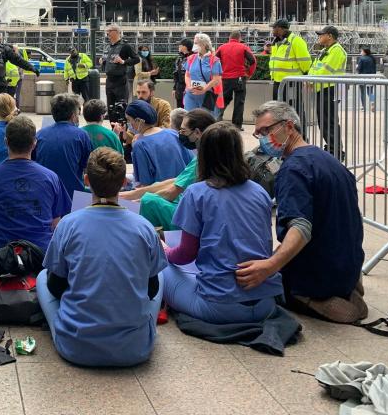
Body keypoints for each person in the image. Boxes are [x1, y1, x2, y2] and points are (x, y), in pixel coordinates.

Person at [237, 101, 366, 323]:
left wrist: (269, 267)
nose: (263, 139)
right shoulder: (330, 161)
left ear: (289, 126)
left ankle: (312, 296)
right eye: (258, 134)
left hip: (318, 277)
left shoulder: (293, 169)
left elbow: (301, 227)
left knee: (247, 280)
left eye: (267, 131)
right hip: (348, 267)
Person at [37, 147, 166, 367]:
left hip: (76, 347)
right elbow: (151, 288)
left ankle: (69, 325)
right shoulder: (144, 228)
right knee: (160, 276)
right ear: (124, 182)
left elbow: (56, 286)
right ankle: (140, 326)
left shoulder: (68, 224)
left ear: (86, 180)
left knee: (42, 276)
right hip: (135, 349)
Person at [160, 122, 284, 325]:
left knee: (162, 264)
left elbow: (185, 254)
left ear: (204, 155)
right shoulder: (260, 192)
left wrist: (163, 249)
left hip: (219, 306)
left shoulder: (196, 193)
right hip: (265, 304)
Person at [0, 116, 71, 260]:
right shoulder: (51, 178)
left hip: (2, 258)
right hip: (40, 257)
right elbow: (55, 224)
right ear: (34, 143)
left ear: (6, 142)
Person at [124, 109, 216, 231]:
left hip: (200, 217)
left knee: (148, 201)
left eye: (183, 130)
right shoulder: (201, 153)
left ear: (198, 132)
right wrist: (130, 195)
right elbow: (177, 180)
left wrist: (136, 201)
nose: (180, 134)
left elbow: (171, 190)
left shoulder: (140, 145)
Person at [35, 93, 93, 196]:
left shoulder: (40, 135)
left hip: (45, 193)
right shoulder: (81, 135)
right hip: (72, 195)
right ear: (72, 116)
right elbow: (88, 166)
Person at [124, 100, 192, 187]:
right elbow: (191, 164)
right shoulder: (173, 133)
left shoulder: (140, 145)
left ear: (139, 121)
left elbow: (144, 184)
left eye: (129, 120)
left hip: (161, 195)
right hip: (184, 189)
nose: (129, 124)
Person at [0, 26, 36, 122]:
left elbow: (18, 60)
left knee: (2, 109)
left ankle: (2, 128)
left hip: (0, 85)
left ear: (0, 37)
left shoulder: (5, 49)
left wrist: (31, 68)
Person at [310, 25, 347, 161]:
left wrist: (310, 81)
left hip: (331, 89)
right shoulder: (325, 50)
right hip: (322, 89)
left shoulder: (337, 50)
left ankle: (336, 151)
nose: (319, 36)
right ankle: (332, 148)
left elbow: (325, 71)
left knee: (329, 121)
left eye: (322, 34)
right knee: (323, 121)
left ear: (330, 36)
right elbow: (314, 68)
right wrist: (309, 79)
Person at [268, 18, 311, 132]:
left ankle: (301, 135)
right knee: (279, 110)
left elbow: (305, 62)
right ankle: (284, 135)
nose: (273, 30)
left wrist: (305, 76)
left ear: (281, 29)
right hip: (278, 82)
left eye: (274, 28)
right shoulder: (276, 43)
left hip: (292, 83)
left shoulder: (296, 41)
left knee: (295, 110)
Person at [215, 30, 257, 129]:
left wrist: (218, 74)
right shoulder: (243, 47)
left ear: (229, 38)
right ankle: (237, 125)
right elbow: (253, 61)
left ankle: (217, 121)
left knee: (223, 100)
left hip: (225, 79)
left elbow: (214, 61)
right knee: (239, 102)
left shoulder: (222, 47)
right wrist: (249, 74)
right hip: (239, 78)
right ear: (239, 38)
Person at [99, 24, 139, 114]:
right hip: (109, 81)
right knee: (110, 108)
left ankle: (122, 127)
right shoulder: (108, 47)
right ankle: (113, 127)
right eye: (107, 31)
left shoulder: (125, 46)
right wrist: (103, 62)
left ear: (117, 32)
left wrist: (123, 62)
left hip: (120, 81)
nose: (107, 33)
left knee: (121, 107)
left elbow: (137, 59)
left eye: (109, 31)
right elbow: (108, 61)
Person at [183, 33, 223, 115]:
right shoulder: (191, 58)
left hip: (207, 95)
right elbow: (187, 75)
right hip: (191, 95)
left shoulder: (214, 60)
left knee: (206, 120)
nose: (194, 45)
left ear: (204, 44)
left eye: (196, 43)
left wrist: (204, 89)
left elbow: (216, 79)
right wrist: (189, 86)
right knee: (189, 119)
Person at [172, 37, 194, 109]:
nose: (178, 47)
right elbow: (176, 75)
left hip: (191, 88)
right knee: (180, 110)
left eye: (180, 45)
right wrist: (174, 88)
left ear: (184, 47)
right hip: (179, 89)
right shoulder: (179, 59)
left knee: (191, 110)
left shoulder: (194, 57)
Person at [356, 46, 377, 111]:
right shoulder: (372, 58)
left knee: (362, 92)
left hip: (363, 77)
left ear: (364, 52)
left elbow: (359, 69)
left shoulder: (361, 59)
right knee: (370, 92)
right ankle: (372, 102)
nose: (360, 52)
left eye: (361, 51)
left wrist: (357, 67)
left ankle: (363, 106)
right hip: (371, 77)